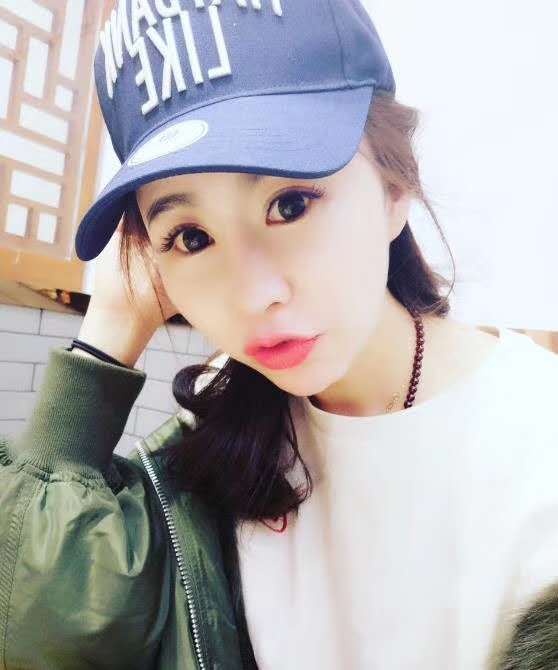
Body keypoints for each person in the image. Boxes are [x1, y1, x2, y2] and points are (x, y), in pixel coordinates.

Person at [1, 1, 557, 668]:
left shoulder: (535, 445)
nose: (253, 294)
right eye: (191, 237)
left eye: (290, 205)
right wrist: (111, 328)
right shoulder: (223, 416)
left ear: (395, 184)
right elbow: (32, 625)